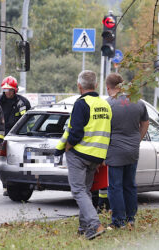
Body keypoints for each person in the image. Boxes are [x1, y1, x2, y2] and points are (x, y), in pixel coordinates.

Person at [55, 70, 112, 240]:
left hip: (80, 153)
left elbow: (76, 132)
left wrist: (67, 147)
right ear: (95, 85)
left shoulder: (82, 104)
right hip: (97, 155)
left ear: (79, 86)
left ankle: (94, 224)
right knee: (85, 191)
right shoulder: (105, 105)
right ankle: (84, 226)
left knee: (78, 191)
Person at [105, 73, 149, 228]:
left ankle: (118, 221)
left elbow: (103, 130)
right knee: (130, 184)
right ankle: (131, 219)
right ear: (122, 84)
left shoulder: (108, 104)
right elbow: (145, 123)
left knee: (115, 186)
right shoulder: (138, 102)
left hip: (115, 150)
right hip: (132, 150)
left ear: (108, 86)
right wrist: (137, 140)